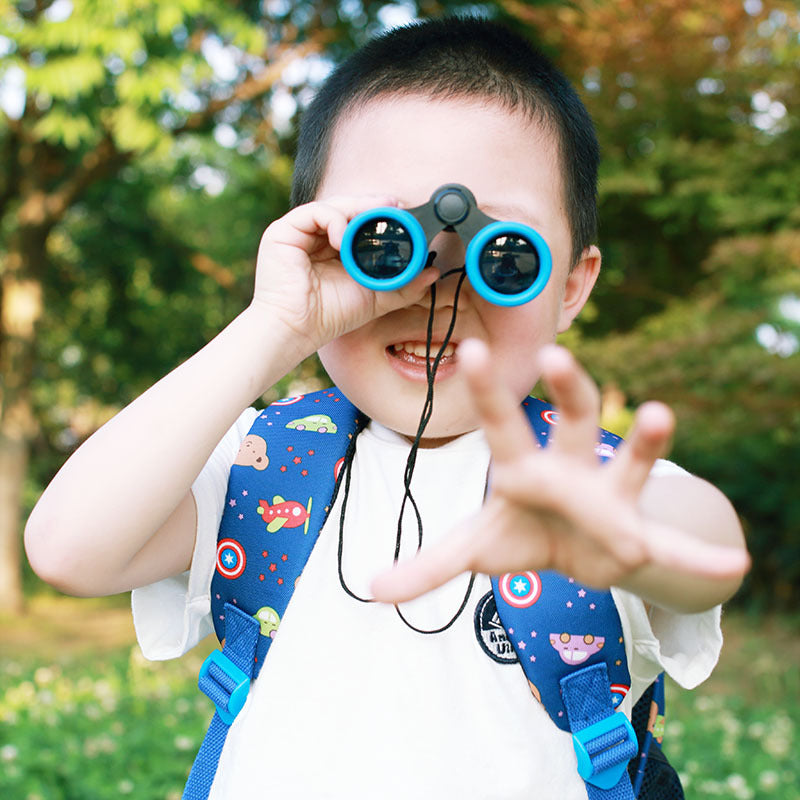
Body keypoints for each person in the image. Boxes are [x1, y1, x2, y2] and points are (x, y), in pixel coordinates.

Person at [25, 16, 749, 800]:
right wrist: (276, 327)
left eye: (503, 254)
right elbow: (69, 549)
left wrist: (632, 541)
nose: (436, 283)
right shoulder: (264, 465)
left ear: (571, 285)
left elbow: (708, 553)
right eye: (384, 241)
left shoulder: (586, 485)